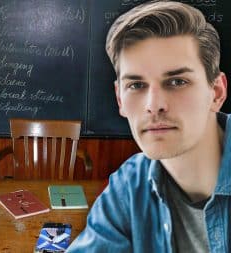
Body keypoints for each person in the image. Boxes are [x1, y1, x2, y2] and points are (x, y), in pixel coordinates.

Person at [66, 1, 229, 252]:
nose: (154, 105)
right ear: (120, 99)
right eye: (136, 85)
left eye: (177, 81)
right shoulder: (129, 185)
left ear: (216, 92)